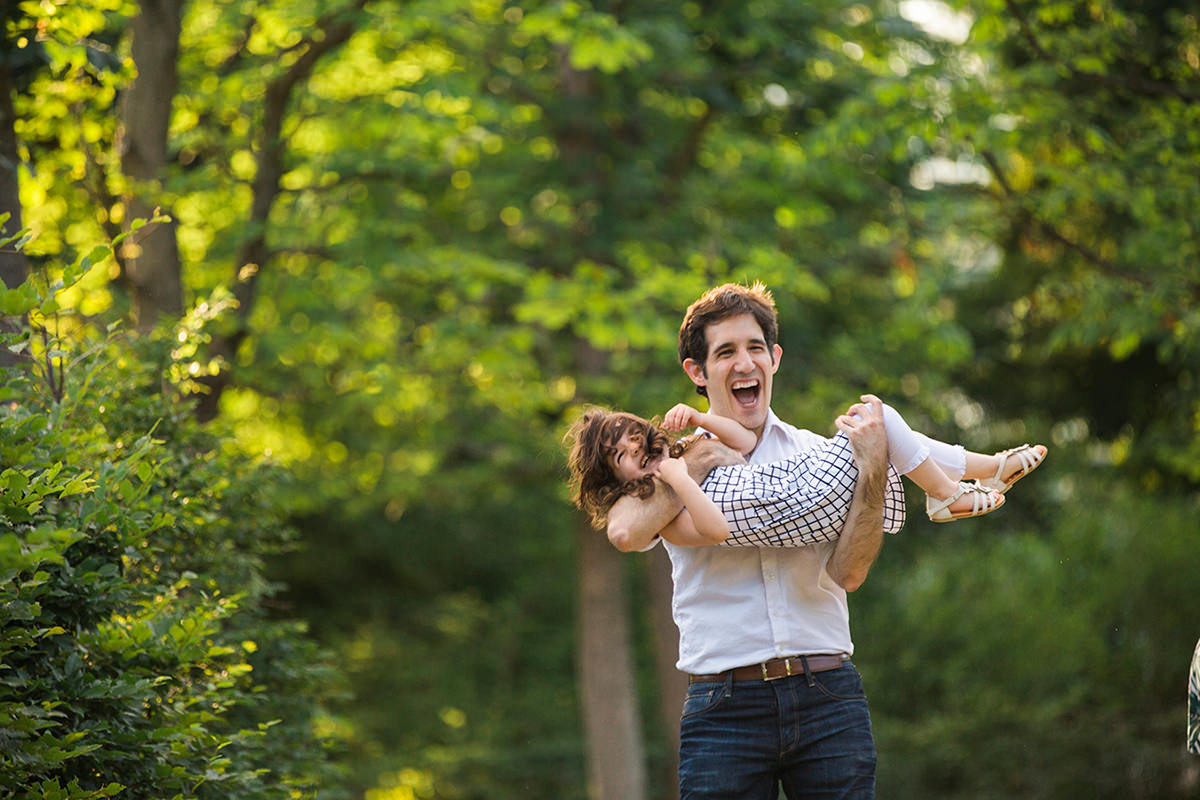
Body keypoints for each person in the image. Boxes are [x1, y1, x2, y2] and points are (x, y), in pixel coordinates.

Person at [603, 282, 1044, 799]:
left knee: (883, 426)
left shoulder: (819, 457)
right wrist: (695, 458)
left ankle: (969, 477)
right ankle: (971, 477)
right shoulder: (669, 467)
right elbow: (626, 530)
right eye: (725, 352)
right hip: (724, 705)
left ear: (775, 359)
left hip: (826, 694)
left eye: (754, 348)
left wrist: (875, 463)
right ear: (697, 372)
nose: (744, 363)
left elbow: (849, 574)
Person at [566, 399, 1044, 547]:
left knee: (886, 430)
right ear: (612, 479)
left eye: (633, 435)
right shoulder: (665, 506)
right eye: (620, 455)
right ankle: (949, 490)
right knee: (874, 415)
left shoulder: (687, 451)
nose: (635, 447)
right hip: (805, 493)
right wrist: (681, 480)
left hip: (804, 481)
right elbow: (714, 530)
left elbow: (745, 443)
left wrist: (699, 418)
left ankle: (988, 470)